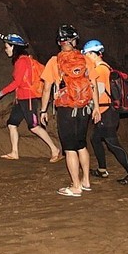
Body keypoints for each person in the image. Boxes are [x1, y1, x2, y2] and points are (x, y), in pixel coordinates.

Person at [39, 25, 99, 197]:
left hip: (66, 109)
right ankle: (86, 181)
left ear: (59, 42)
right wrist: (96, 108)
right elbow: (93, 84)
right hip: (84, 108)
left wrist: (43, 110)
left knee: (69, 148)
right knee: (81, 144)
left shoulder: (54, 61)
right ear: (74, 41)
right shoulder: (86, 59)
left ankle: (76, 186)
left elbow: (46, 89)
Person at [0, 34, 61, 162]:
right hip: (21, 99)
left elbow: (17, 82)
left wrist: (2, 93)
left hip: (28, 99)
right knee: (12, 124)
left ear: (13, 47)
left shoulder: (22, 61)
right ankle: (14, 152)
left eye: (7, 46)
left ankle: (55, 150)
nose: (5, 49)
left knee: (34, 126)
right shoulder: (22, 61)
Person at [82, 40, 128, 185]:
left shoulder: (100, 70)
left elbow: (99, 91)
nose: (85, 57)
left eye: (86, 54)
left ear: (92, 54)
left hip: (106, 112)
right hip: (106, 111)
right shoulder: (104, 67)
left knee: (113, 144)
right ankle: (102, 170)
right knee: (95, 138)